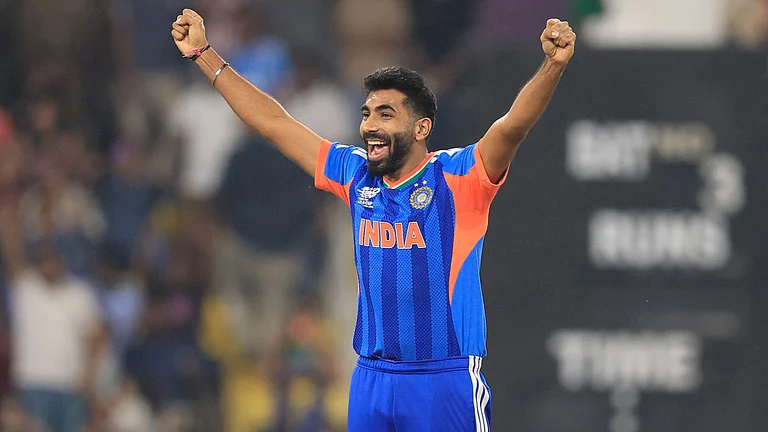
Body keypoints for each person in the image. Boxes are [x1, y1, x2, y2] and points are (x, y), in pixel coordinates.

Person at [171, 8, 576, 431]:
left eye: (385, 114)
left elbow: (511, 128)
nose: (369, 126)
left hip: (443, 378)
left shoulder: (460, 177)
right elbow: (274, 123)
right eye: (366, 114)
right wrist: (203, 53)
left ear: (421, 128)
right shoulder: (354, 173)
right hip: (372, 378)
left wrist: (552, 65)